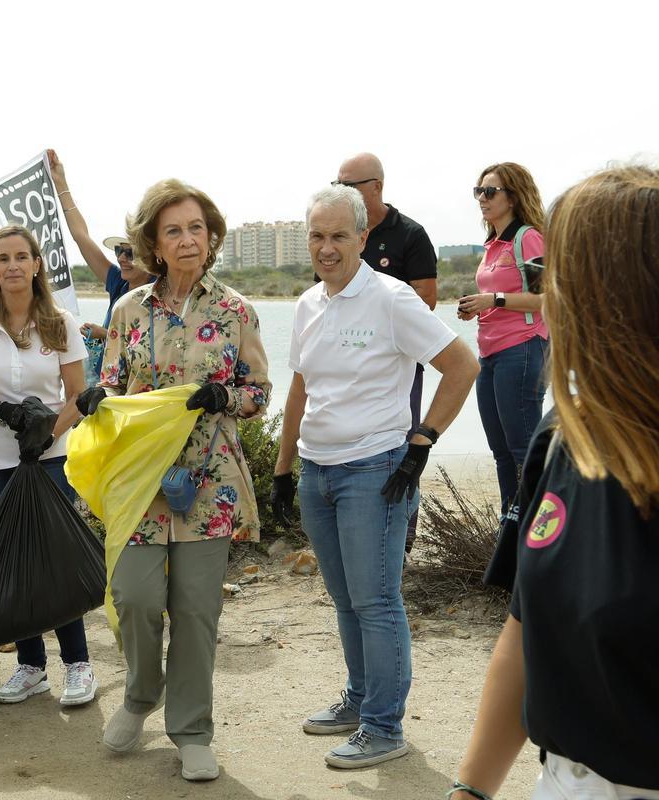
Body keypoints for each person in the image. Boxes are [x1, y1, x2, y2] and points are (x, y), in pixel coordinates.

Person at [452, 165, 659, 800]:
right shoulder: (561, 437)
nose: (546, 295)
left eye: (557, 275)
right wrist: (470, 791)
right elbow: (524, 629)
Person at [271, 185, 478, 769]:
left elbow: (462, 365)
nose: (327, 247)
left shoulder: (392, 299)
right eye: (317, 236)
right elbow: (300, 389)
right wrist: (284, 470)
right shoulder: (309, 303)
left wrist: (422, 443)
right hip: (318, 470)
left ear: (364, 237)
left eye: (339, 235)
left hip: (375, 470)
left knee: (376, 600)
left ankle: (385, 728)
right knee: (343, 599)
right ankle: (360, 701)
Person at [79, 179, 271, 782]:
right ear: (154, 244)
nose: (188, 240)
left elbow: (259, 393)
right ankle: (140, 695)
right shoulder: (129, 308)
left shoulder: (236, 310)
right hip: (139, 478)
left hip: (209, 480)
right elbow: (111, 381)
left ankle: (191, 730)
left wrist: (230, 397)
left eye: (196, 228)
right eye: (173, 231)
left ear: (210, 237)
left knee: (195, 610)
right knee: (134, 598)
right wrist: (95, 397)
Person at [0, 225, 97, 707]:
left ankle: (78, 664)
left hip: (52, 459)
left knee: (55, 560)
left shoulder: (62, 322)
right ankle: (31, 666)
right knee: (14, 563)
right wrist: (4, 413)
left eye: (21, 256)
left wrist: (44, 436)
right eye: (3, 258)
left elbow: (77, 398)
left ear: (37, 264)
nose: (13, 265)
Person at [336, 153, 438, 553]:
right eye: (336, 185)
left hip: (397, 364)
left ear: (375, 186)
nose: (341, 192)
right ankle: (356, 532)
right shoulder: (340, 234)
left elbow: (427, 299)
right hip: (344, 362)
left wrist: (376, 317)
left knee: (400, 446)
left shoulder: (411, 234)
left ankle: (402, 542)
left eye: (349, 185)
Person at [457, 162, 549, 522]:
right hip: (490, 355)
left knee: (524, 451)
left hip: (523, 350)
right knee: (500, 451)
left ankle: (539, 532)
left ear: (513, 196)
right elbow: (498, 295)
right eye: (478, 191)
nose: (482, 198)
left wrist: (493, 300)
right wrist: (476, 307)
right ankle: (510, 526)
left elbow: (546, 298)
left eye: (490, 191)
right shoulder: (494, 243)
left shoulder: (528, 237)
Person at [48, 149, 154, 377]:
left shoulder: (163, 290)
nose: (121, 259)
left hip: (137, 387)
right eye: (119, 251)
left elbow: (158, 343)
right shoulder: (119, 283)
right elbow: (81, 236)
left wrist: (104, 334)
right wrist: (60, 183)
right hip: (107, 381)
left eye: (130, 253)